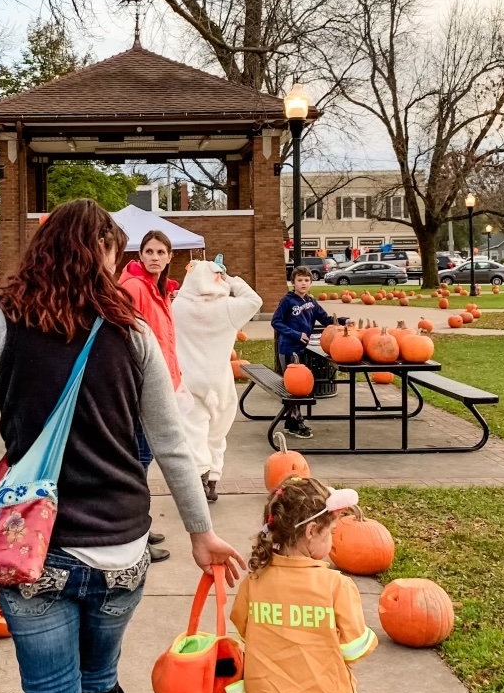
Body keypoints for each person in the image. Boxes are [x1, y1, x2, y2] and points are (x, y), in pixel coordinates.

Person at [0, 199, 246, 693]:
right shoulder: (134, 331)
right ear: (100, 253)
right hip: (123, 550)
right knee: (99, 679)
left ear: (42, 250)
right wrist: (201, 531)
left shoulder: (0, 327)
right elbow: (172, 444)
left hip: (33, 553)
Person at [230, 476, 377, 693]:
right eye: (331, 532)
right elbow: (354, 649)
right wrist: (369, 637)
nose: (333, 540)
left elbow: (246, 633)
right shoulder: (336, 585)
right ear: (311, 531)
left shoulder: (255, 581)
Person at [172, 259, 262, 502]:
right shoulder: (229, 307)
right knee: (217, 433)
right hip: (219, 381)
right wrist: (231, 280)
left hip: (189, 380)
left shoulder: (178, 307)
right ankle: (213, 479)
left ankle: (199, 479)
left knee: (194, 432)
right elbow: (255, 300)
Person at [118, 229, 182, 563]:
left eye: (161, 252)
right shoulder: (133, 288)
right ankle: (135, 538)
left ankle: (141, 527)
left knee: (143, 460)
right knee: (138, 463)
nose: (155, 257)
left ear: (170, 257)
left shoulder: (159, 290)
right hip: (141, 391)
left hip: (159, 387)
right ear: (139, 255)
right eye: (149, 251)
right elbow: (125, 341)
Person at [271, 266, 350, 439]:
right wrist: (295, 334)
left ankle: (291, 421)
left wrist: (343, 321)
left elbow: (326, 319)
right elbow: (276, 322)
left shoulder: (312, 302)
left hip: (302, 350)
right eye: (299, 280)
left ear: (311, 282)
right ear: (293, 282)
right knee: (293, 387)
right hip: (288, 349)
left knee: (299, 386)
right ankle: (296, 422)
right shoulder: (287, 301)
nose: (303, 283)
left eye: (306, 280)